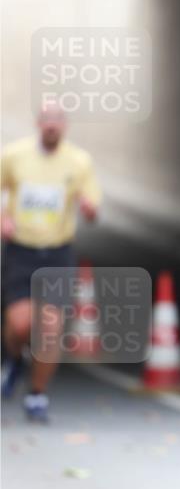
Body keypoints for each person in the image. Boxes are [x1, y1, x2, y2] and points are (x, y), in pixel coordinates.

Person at [1, 103, 101, 421]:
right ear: (38, 124)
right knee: (19, 324)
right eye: (47, 120)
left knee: (49, 327)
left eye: (58, 120)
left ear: (65, 126)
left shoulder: (78, 161)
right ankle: (14, 359)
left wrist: (88, 208)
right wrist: (3, 218)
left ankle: (37, 395)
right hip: (21, 250)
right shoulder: (14, 156)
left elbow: (93, 202)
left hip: (57, 253)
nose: (52, 126)